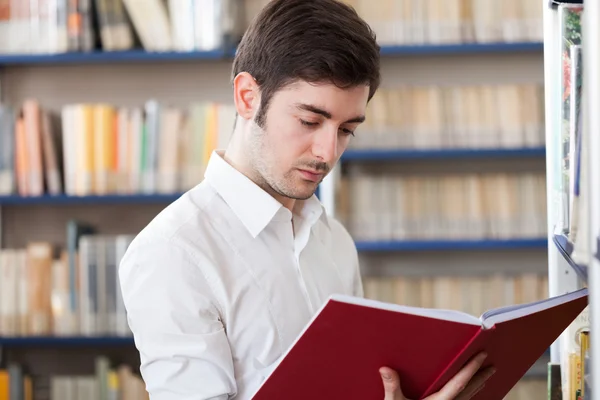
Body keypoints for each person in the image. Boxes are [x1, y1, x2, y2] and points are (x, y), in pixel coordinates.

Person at [118, 0, 495, 399]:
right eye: (310, 121)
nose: (328, 152)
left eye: (347, 129)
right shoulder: (173, 252)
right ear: (248, 97)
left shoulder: (332, 240)